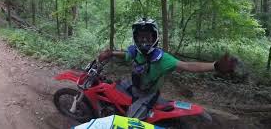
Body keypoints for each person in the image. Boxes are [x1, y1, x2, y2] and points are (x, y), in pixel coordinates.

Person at [98, 18, 237, 119]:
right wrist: (111, 53)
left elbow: (187, 66)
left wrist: (214, 66)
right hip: (133, 86)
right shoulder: (135, 52)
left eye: (147, 37)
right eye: (141, 37)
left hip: (148, 95)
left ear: (154, 38)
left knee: (131, 122)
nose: (144, 41)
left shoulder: (162, 58)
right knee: (109, 89)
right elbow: (126, 55)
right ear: (136, 38)